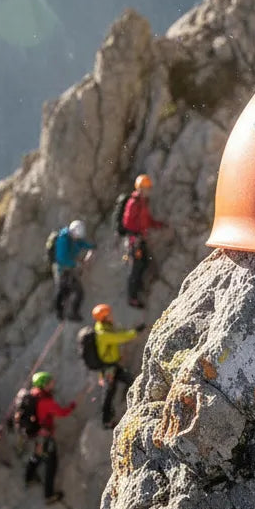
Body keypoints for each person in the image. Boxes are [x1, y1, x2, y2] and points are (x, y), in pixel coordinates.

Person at [23, 371, 76, 504]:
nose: (53, 383)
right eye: (50, 382)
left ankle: (29, 478)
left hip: (36, 433)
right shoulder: (45, 401)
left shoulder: (32, 395)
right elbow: (62, 412)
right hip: (45, 436)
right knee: (51, 464)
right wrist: (72, 406)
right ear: (44, 384)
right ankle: (49, 495)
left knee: (37, 455)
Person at [92, 303, 146, 429]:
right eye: (109, 314)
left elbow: (120, 332)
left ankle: (111, 417)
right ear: (105, 317)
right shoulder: (102, 333)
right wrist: (135, 332)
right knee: (109, 393)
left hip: (112, 366)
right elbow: (120, 338)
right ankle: (106, 421)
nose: (112, 315)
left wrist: (134, 330)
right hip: (108, 368)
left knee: (123, 384)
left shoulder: (106, 327)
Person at [121, 175, 167, 308]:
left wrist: (158, 225)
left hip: (139, 240)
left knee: (143, 263)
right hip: (135, 241)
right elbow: (127, 222)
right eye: (145, 188)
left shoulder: (142, 202)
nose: (147, 191)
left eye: (148, 188)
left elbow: (146, 220)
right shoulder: (134, 202)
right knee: (135, 268)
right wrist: (137, 234)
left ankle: (139, 288)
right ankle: (132, 297)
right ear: (140, 188)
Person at [53, 219, 95, 321]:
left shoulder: (71, 237)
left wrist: (91, 246)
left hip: (66, 269)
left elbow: (80, 244)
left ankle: (60, 313)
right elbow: (62, 259)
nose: (77, 238)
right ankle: (71, 314)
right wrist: (77, 264)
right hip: (63, 269)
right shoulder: (63, 240)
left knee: (63, 290)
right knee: (76, 291)